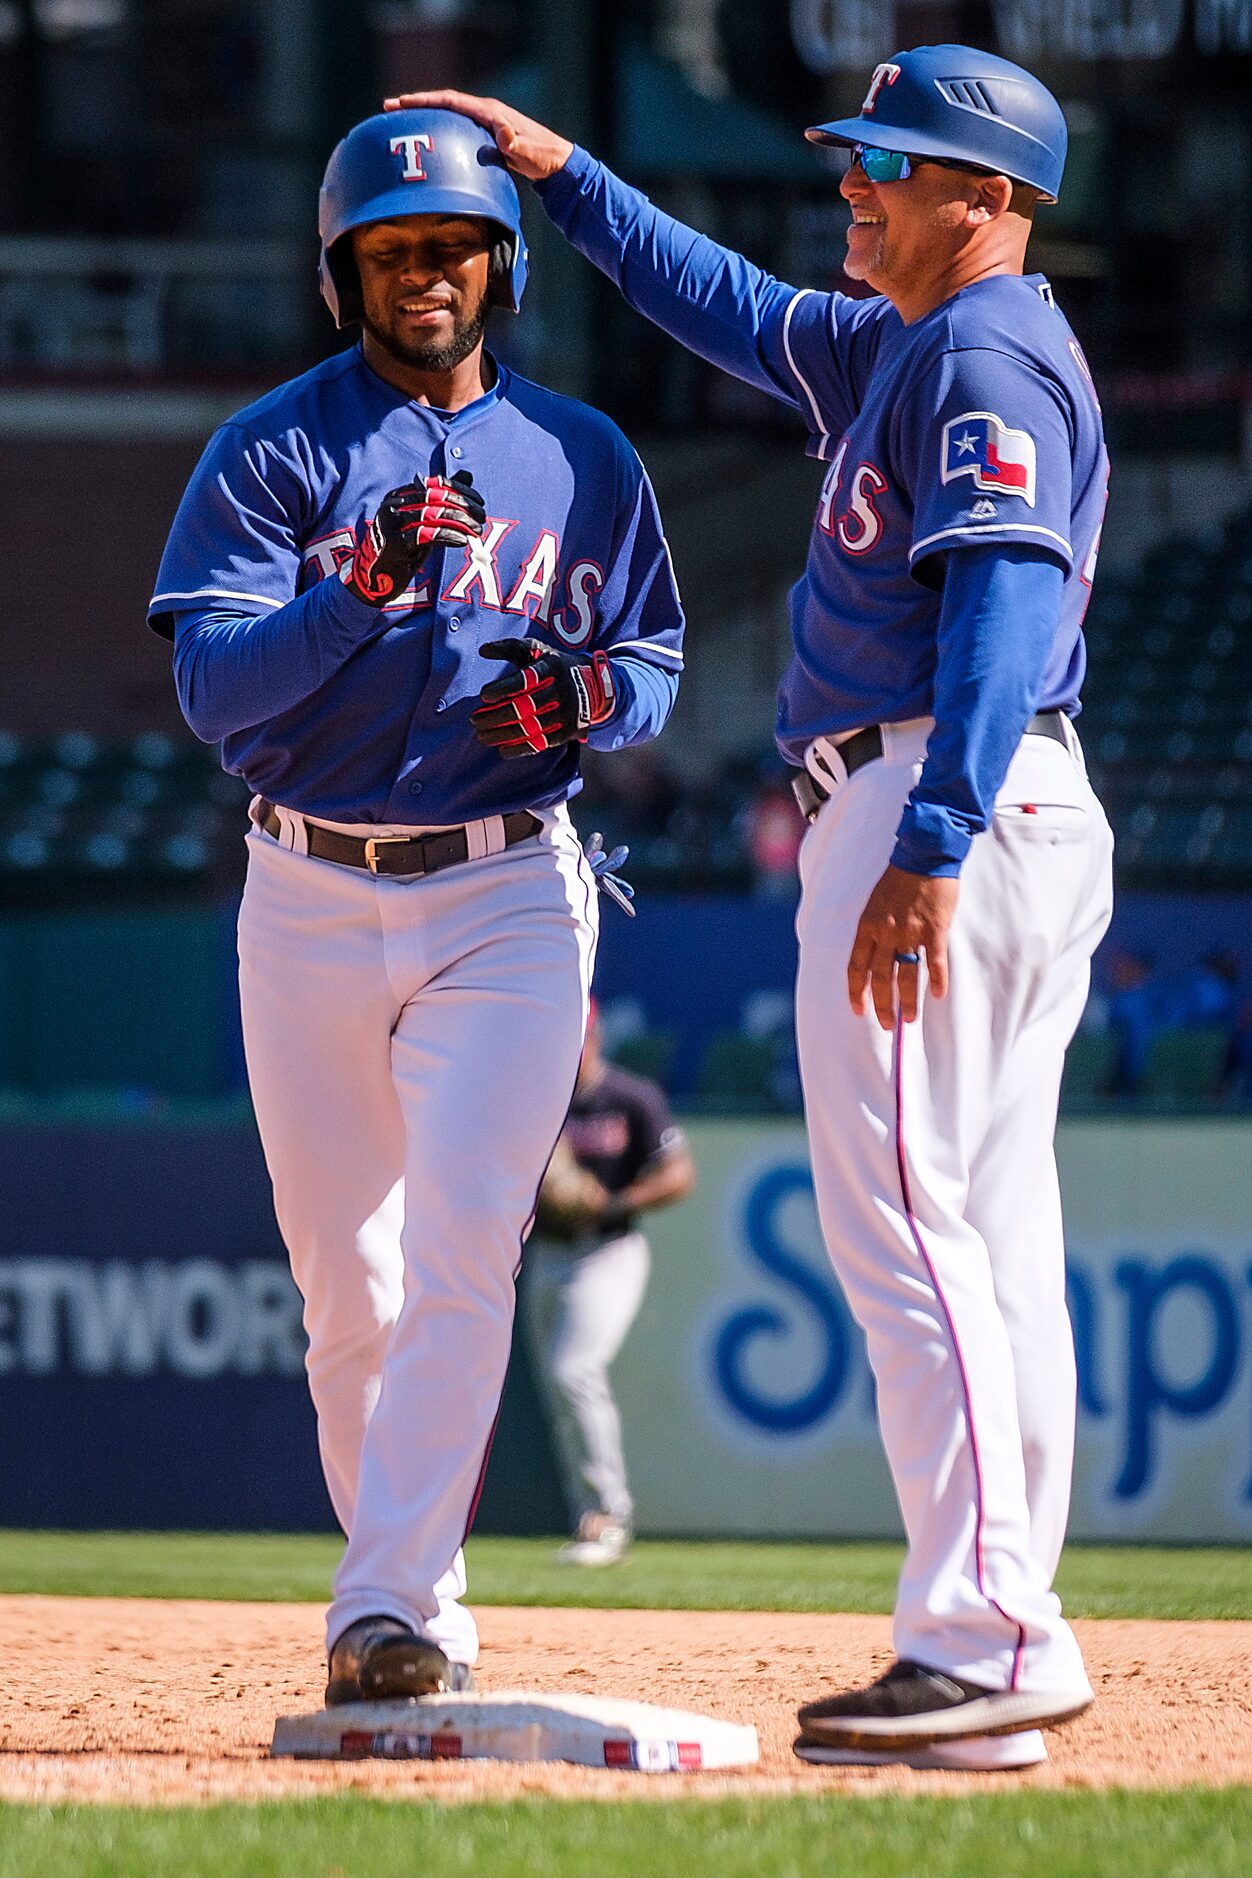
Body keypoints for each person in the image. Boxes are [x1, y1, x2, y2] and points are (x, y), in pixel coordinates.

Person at [395, 44, 1114, 1770]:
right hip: (982, 794)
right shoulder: (899, 341)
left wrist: (928, 841)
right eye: (853, 152)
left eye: (890, 161)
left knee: (909, 1228)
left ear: (990, 199)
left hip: (940, 788)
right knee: (988, 1239)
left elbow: (1006, 586)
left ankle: (986, 1632)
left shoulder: (984, 347)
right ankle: (999, 1625)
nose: (852, 181)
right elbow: (714, 295)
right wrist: (566, 179)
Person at [147, 109, 684, 1705]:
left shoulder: (581, 457)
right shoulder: (273, 448)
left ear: (498, 262)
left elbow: (651, 665)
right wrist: (351, 591)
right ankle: (418, 1595)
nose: (424, 273)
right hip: (305, 882)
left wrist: (584, 701)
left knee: (465, 1248)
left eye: (449, 243)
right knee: (349, 1289)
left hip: (512, 882)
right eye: (389, 251)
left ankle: (383, 1605)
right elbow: (212, 688)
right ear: (342, 276)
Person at [524, 999, 696, 1564]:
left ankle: (610, 1516)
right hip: (546, 1253)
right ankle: (588, 1517)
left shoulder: (629, 1097)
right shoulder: (534, 1097)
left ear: (593, 1035)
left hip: (609, 1250)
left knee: (572, 1369)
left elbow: (678, 1174)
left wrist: (614, 1201)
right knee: (557, 1391)